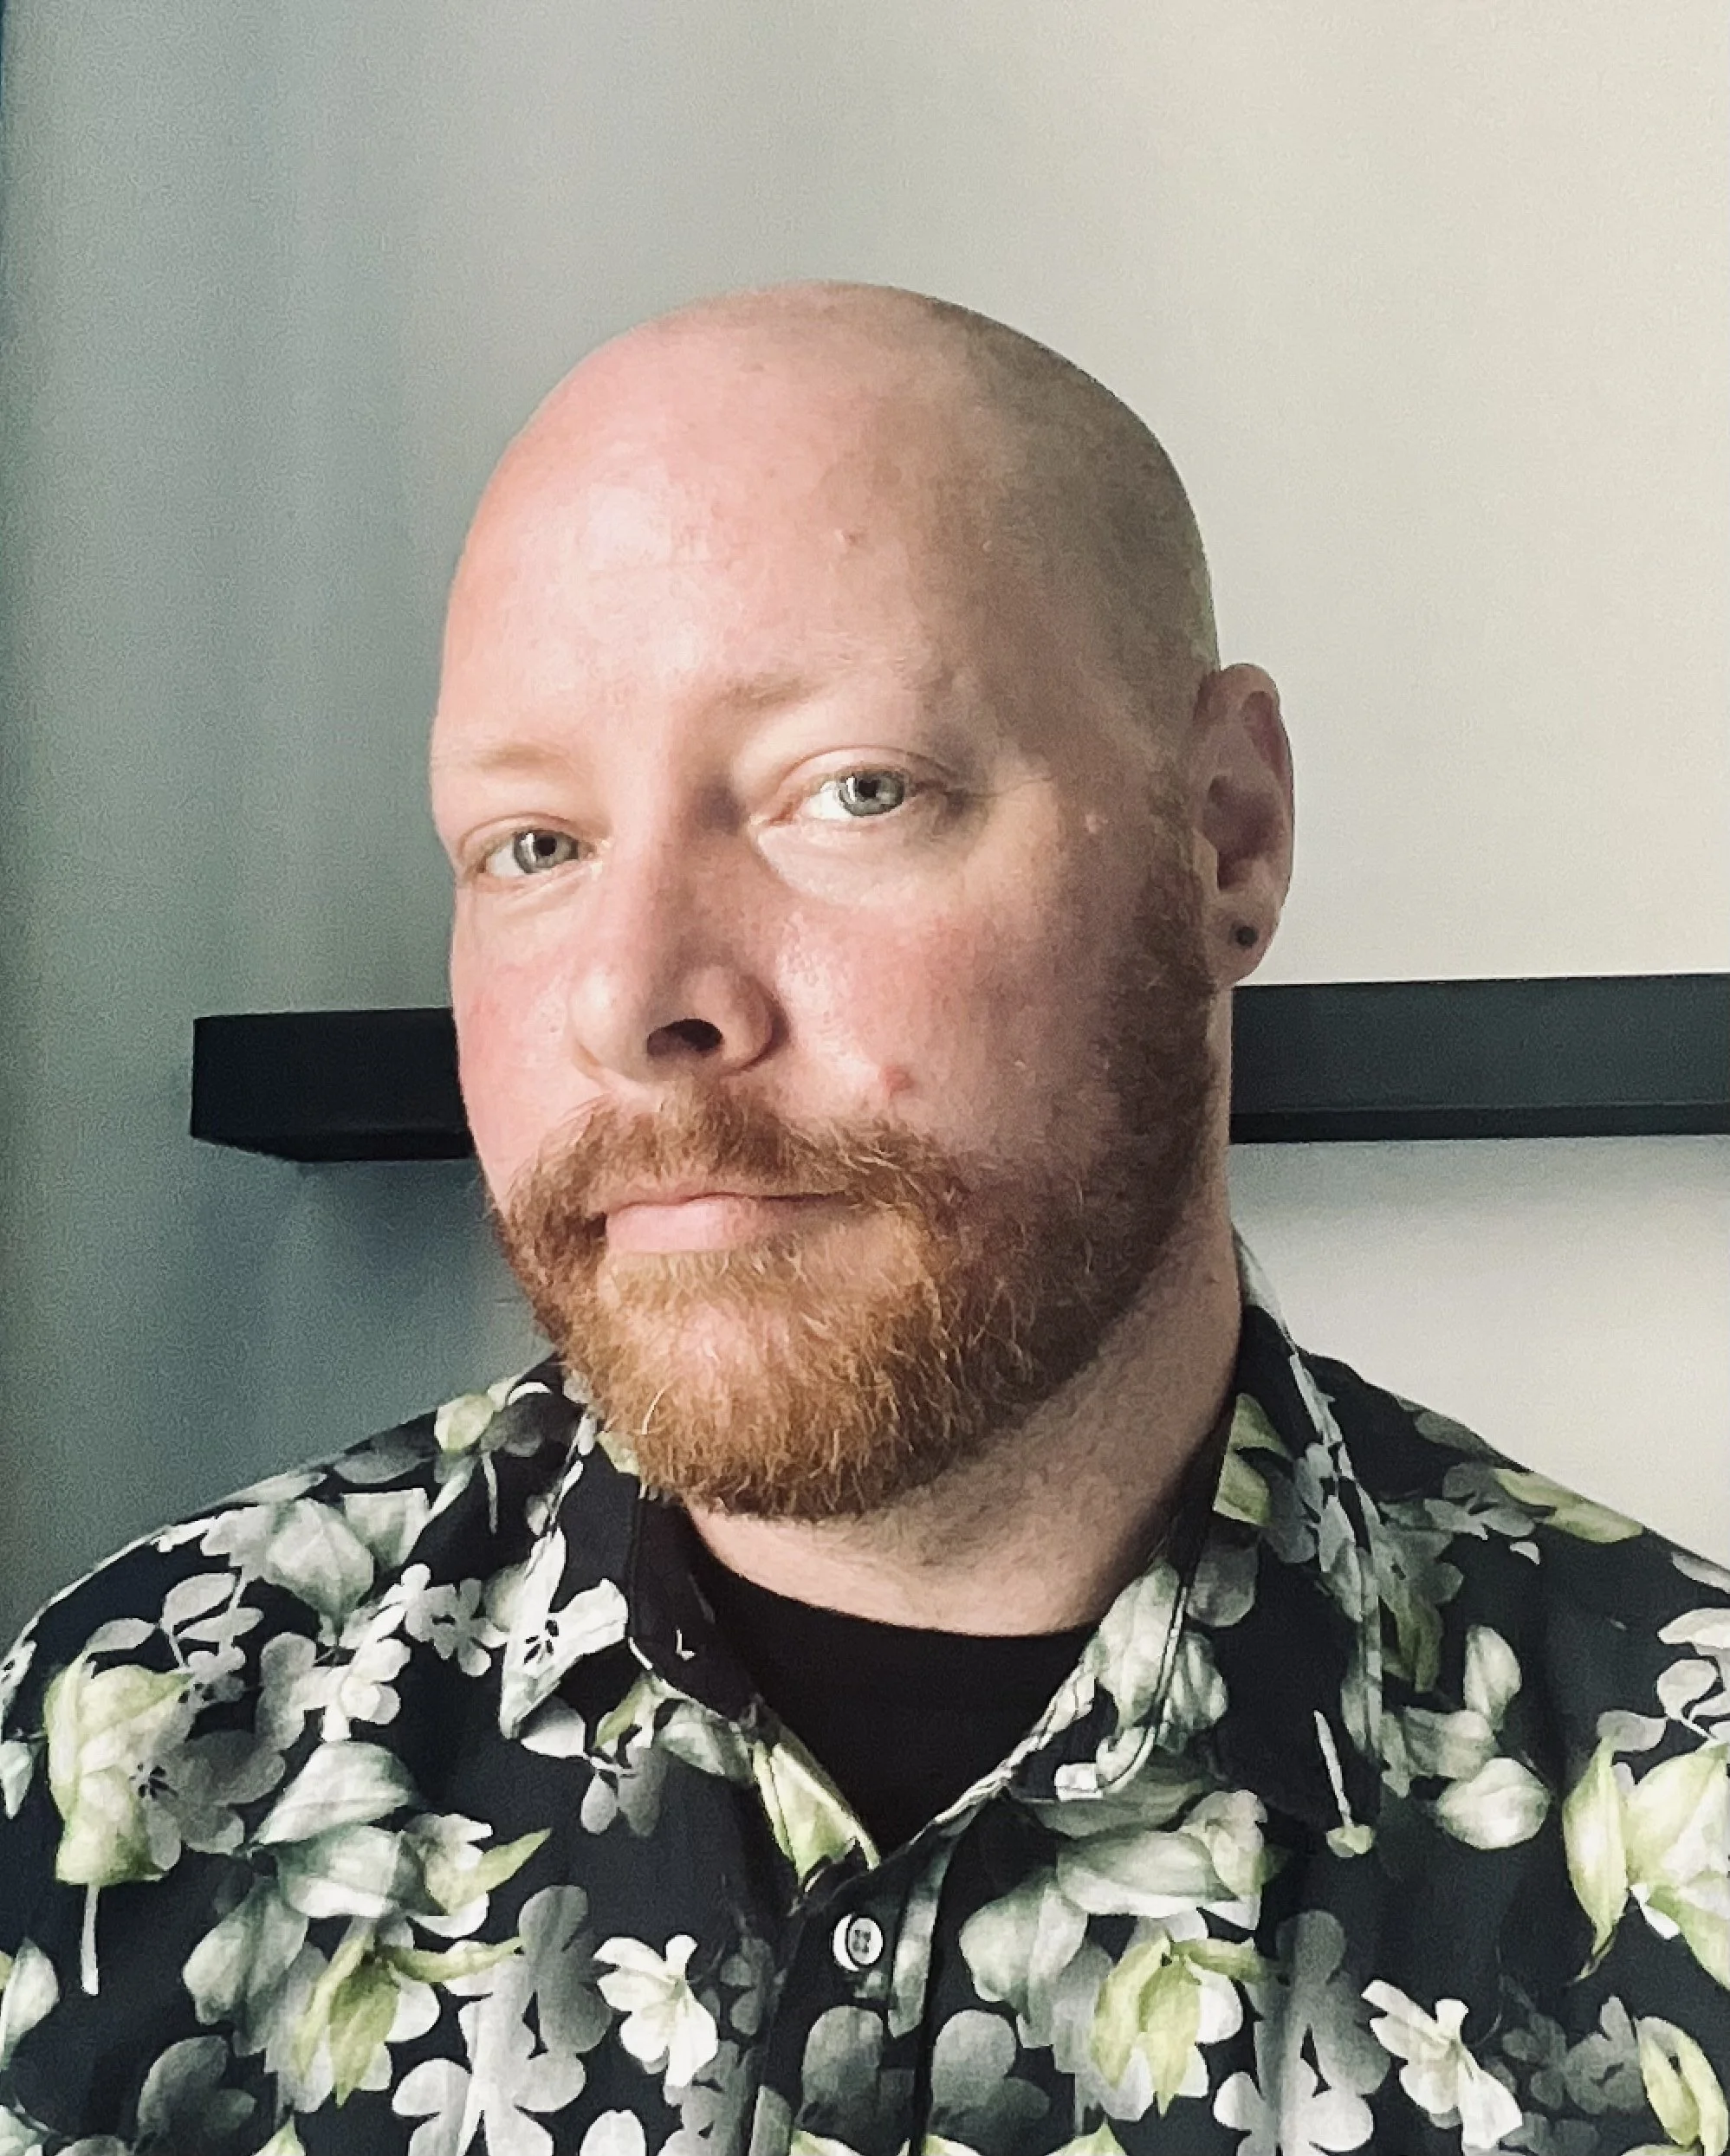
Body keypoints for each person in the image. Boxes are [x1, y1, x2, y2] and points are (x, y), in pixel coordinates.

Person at [1, 284, 1724, 2156]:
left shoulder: (1687, 1828)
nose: (632, 999)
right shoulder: (113, 1766)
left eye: (853, 791)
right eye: (534, 845)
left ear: (1224, 835)